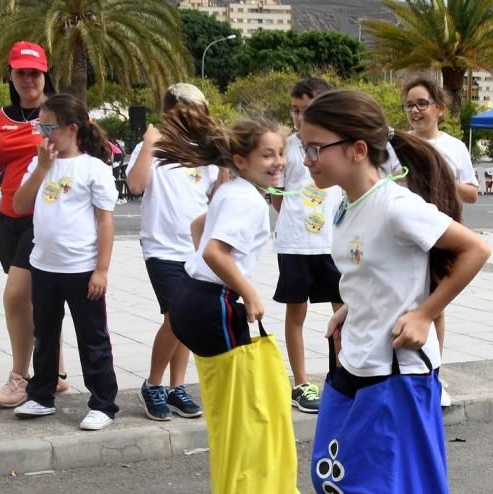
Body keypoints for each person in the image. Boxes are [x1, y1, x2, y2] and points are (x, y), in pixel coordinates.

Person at [299, 88, 489, 396]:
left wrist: (425, 314)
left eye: (316, 149)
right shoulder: (345, 205)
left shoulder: (395, 205)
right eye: (304, 149)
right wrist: (351, 308)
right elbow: (376, 270)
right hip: (356, 364)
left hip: (398, 375)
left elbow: (477, 249)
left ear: (357, 150)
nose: (307, 161)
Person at [12, 93, 119, 430]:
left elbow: (105, 222)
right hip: (44, 267)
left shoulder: (93, 168)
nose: (43, 133)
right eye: (39, 125)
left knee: (93, 338)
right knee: (44, 333)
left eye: (49, 126)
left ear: (72, 129)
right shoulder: (40, 162)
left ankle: (103, 403)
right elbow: (18, 203)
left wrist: (101, 270)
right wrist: (42, 168)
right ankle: (41, 396)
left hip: (82, 269)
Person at [153, 108, 286, 356]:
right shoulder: (248, 199)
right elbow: (214, 253)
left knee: (220, 383)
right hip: (214, 302)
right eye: (267, 155)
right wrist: (249, 294)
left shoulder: (231, 190)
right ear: (240, 161)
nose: (278, 161)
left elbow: (198, 226)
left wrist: (203, 270)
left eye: (281, 153)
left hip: (189, 293)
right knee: (235, 385)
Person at [126, 83, 223, 421]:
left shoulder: (204, 153)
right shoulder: (153, 146)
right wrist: (150, 144)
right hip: (161, 248)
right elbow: (135, 185)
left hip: (194, 250)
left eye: (197, 117)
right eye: (184, 116)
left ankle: (176, 386)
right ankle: (153, 384)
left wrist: (223, 160)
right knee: (176, 317)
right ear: (168, 115)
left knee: (187, 319)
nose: (191, 123)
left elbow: (218, 196)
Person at [0, 41, 69, 408]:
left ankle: (21, 378)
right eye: (21, 72)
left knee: (16, 297)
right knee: (35, 300)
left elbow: (86, 153)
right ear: (11, 75)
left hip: (45, 217)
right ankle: (58, 370)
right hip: (7, 221)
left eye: (34, 72)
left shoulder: (59, 114)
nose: (28, 79)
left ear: (44, 74)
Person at [402, 77, 479, 405]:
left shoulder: (454, 147)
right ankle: (407, 373)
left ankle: (435, 374)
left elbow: (472, 193)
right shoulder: (398, 143)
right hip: (405, 236)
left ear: (439, 109)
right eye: (409, 105)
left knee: (436, 306)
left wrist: (439, 173)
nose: (415, 111)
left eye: (422, 103)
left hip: (443, 235)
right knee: (408, 301)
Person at [271, 77, 343, 413]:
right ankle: (300, 383)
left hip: (334, 243)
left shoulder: (337, 143)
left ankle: (343, 375)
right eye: (295, 110)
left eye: (307, 109)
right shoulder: (285, 147)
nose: (299, 117)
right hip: (296, 244)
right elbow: (276, 194)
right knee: (296, 311)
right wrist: (295, 219)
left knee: (343, 309)